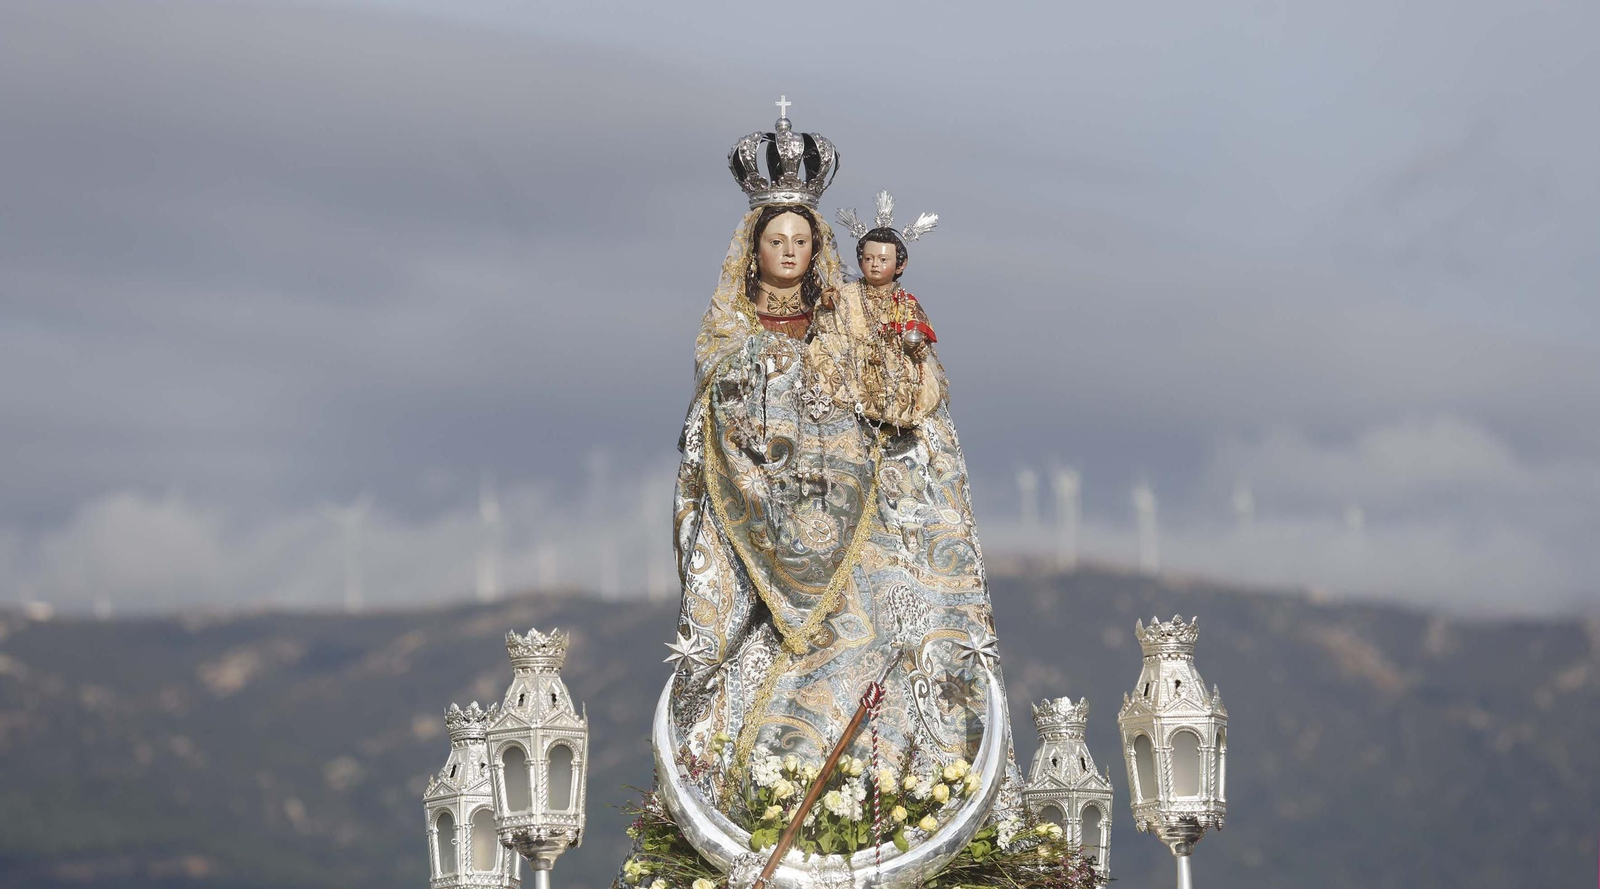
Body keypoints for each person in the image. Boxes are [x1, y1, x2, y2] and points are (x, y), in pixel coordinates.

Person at [640, 108, 1021, 878]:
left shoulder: (846, 322)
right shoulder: (728, 344)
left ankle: (902, 781)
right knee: (751, 669)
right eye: (775, 241)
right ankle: (767, 791)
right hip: (762, 539)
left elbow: (904, 412)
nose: (788, 252)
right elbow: (714, 434)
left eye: (801, 241)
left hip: (863, 530)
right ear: (753, 252)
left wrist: (887, 380)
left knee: (882, 638)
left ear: (818, 249)